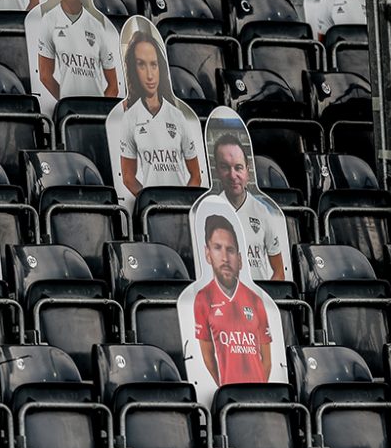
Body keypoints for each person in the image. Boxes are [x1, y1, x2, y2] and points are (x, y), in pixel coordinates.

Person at [193, 214, 273, 387]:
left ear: (239, 258)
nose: (225, 258)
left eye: (230, 250)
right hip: (229, 400)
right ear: (207, 253)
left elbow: (267, 361)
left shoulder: (255, 300)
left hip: (260, 398)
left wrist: (259, 388)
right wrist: (224, 386)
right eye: (217, 248)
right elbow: (207, 356)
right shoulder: (203, 298)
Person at [118, 29, 200, 195]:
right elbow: (128, 177)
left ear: (160, 68)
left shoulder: (177, 116)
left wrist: (183, 201)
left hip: (180, 210)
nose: (150, 75)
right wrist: (149, 201)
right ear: (133, 69)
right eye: (141, 64)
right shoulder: (130, 118)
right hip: (153, 213)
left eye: (153, 64)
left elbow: (196, 175)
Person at [213, 134, 285, 281]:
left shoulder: (263, 212)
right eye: (225, 167)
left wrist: (264, 300)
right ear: (217, 171)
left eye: (238, 168)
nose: (233, 175)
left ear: (247, 171)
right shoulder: (211, 210)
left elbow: (279, 272)